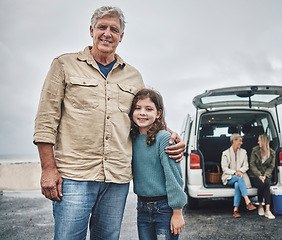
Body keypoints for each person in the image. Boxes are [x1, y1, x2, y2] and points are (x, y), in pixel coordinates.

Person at [33, 6, 185, 240]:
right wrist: (48, 169)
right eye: (102, 27)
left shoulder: (133, 76)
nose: (107, 33)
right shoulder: (64, 65)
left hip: (116, 179)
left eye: (114, 29)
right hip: (74, 176)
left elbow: (142, 120)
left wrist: (170, 135)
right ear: (92, 30)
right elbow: (46, 120)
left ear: (121, 37)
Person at [130, 89, 187, 239]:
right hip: (142, 207)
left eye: (149, 109)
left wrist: (177, 212)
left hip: (164, 208)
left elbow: (174, 177)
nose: (142, 113)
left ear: (158, 113)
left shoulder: (163, 138)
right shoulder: (132, 138)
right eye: (138, 108)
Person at [221, 134, 256, 218]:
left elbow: (246, 166)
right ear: (234, 141)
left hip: (241, 176)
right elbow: (224, 168)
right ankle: (247, 201)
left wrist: (240, 171)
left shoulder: (244, 152)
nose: (241, 143)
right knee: (239, 178)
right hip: (229, 177)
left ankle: (235, 210)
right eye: (240, 141)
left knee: (237, 185)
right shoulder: (225, 153)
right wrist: (235, 172)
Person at [248, 133, 276, 219]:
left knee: (266, 183)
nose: (258, 142)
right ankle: (260, 205)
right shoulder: (255, 150)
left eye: (259, 140)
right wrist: (259, 175)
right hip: (254, 175)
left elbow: (271, 166)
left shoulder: (272, 153)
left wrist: (265, 176)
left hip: (265, 176)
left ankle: (267, 210)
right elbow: (252, 165)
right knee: (262, 183)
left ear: (264, 142)